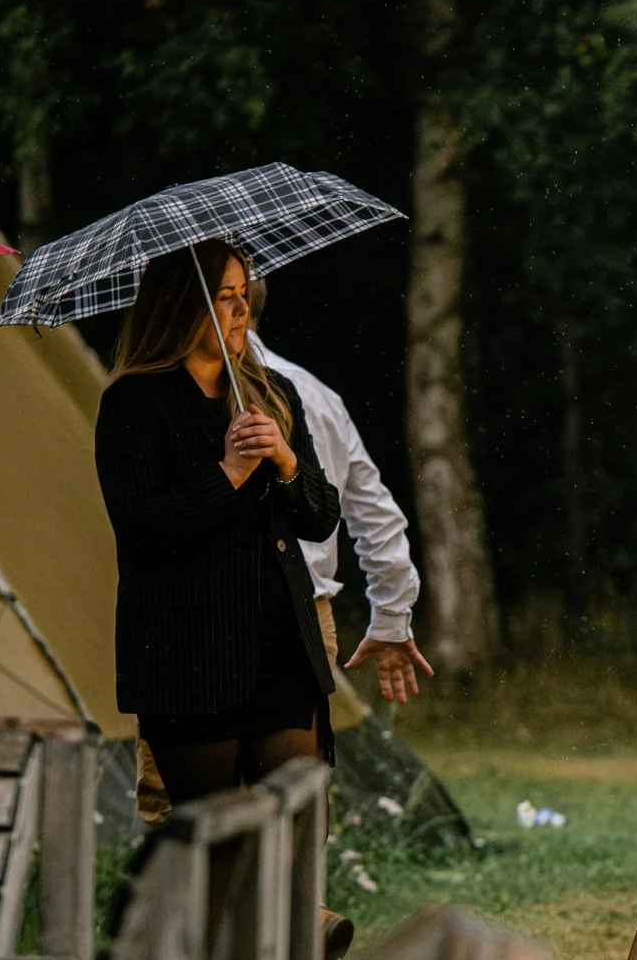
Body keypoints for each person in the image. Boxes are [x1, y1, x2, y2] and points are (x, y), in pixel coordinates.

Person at [95, 240, 342, 805]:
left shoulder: (270, 394)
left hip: (280, 651)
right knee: (215, 841)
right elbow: (140, 527)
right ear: (181, 307)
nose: (241, 311)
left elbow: (321, 518)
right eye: (224, 297)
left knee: (295, 830)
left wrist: (286, 461)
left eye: (243, 295)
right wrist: (228, 472)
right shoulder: (133, 402)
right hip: (189, 660)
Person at [244, 278, 431, 702]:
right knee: (295, 770)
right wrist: (390, 616)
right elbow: (374, 512)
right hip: (305, 621)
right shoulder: (317, 393)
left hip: (238, 623)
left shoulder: (192, 396)